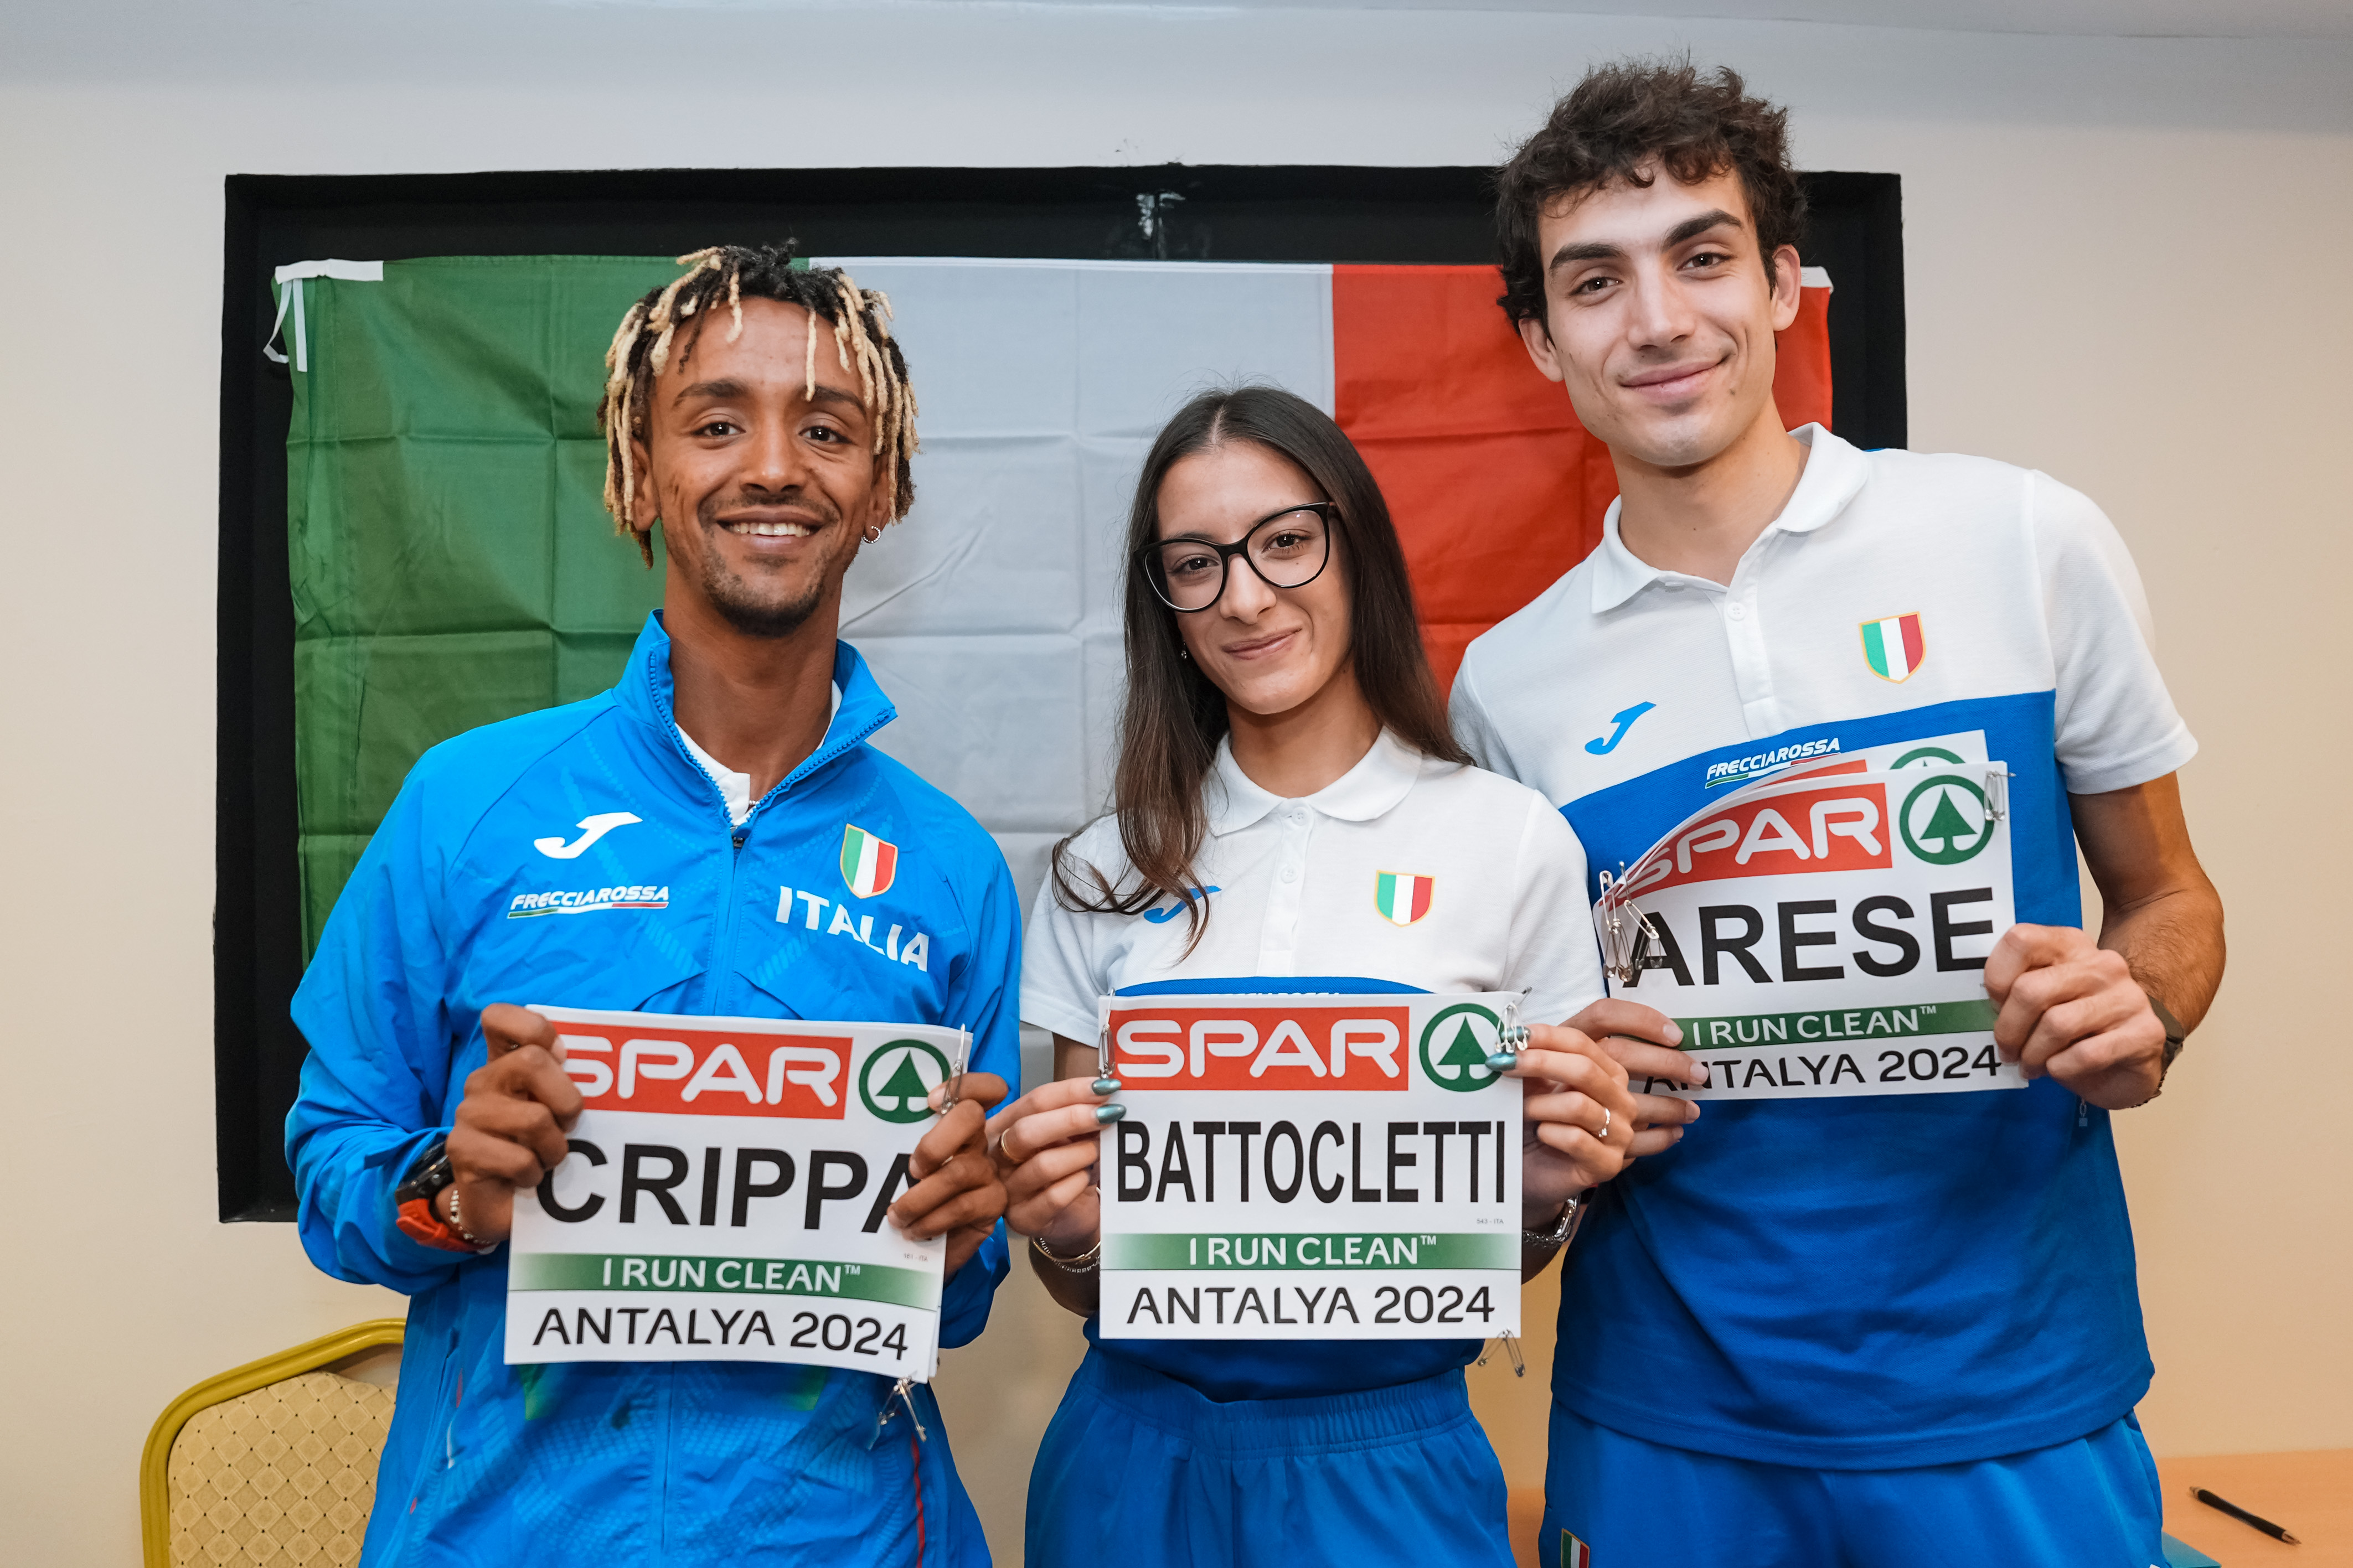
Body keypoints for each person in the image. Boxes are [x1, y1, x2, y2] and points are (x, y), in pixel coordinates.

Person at [1452, 62, 2228, 1567]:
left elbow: (2171, 898)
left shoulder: (2020, 536)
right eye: (1595, 281)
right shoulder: (1508, 683)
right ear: (1544, 342)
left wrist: (2142, 1008)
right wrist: (1566, 1082)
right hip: (1665, 1410)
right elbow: (1532, 1054)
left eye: (1701, 255)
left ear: (1783, 283)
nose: (1657, 320)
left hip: (2012, 1384)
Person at [286, 245, 1018, 1567]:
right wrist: (451, 1191)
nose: (775, 467)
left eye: (827, 429)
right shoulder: (467, 803)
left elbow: (957, 1303)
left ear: (882, 484)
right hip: (502, 1539)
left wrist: (964, 1233)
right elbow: (333, 1157)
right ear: (640, 466)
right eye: (717, 423)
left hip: (847, 1542)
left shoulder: (952, 867)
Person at [988, 385, 1647, 1568]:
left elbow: (1501, 1249)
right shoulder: (1101, 868)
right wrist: (1069, 1231)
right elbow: (1082, 1273)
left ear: (1358, 547)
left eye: (1285, 541)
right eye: (1195, 564)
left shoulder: (1511, 840)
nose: (1245, 597)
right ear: (1163, 604)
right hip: (1129, 1458)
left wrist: (1541, 1197)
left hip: (1392, 1462)